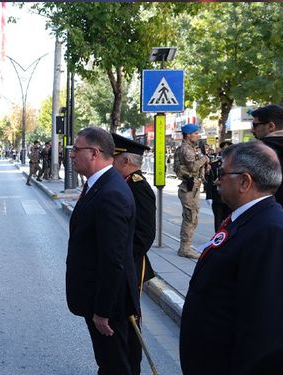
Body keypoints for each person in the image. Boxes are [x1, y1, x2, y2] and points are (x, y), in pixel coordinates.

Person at [180, 141, 283, 374]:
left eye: (222, 173)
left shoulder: (269, 231)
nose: (216, 180)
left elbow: (263, 325)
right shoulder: (246, 219)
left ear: (244, 182)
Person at [66, 127, 140, 374]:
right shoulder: (99, 185)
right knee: (110, 362)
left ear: (94, 152)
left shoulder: (110, 192)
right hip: (100, 297)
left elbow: (113, 259)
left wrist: (102, 311)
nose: (72, 155)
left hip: (110, 303)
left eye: (76, 149)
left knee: (115, 365)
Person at [111, 133, 156, 375]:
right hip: (123, 262)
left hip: (131, 264)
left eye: (114, 159)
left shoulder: (138, 187)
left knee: (129, 319)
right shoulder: (123, 183)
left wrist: (121, 258)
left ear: (126, 162)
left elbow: (145, 234)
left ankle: (131, 368)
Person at [173, 124, 210, 259]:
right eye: (195, 133)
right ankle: (185, 248)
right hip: (188, 188)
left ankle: (186, 246)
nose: (197, 135)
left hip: (193, 187)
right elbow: (193, 167)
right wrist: (205, 159)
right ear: (188, 135)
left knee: (193, 218)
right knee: (190, 218)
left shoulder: (190, 149)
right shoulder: (186, 149)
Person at [251, 104, 283, 210]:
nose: (252, 130)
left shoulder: (254, 152)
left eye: (255, 125)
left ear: (271, 126)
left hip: (264, 217)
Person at [204, 140, 233, 230]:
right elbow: (209, 181)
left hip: (232, 198)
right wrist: (209, 196)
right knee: (218, 221)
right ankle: (219, 240)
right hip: (218, 198)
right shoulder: (214, 165)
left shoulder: (237, 165)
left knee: (231, 221)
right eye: (224, 150)